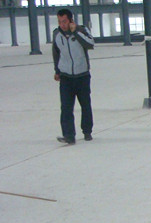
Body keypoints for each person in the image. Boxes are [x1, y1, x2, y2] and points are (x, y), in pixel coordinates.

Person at [52, 8, 94, 145]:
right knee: (66, 107)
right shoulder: (57, 34)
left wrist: (75, 31)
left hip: (82, 75)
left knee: (85, 105)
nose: (62, 24)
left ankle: (87, 131)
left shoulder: (82, 30)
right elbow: (56, 53)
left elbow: (90, 44)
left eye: (64, 21)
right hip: (66, 77)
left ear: (71, 20)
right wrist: (57, 70)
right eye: (60, 21)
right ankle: (69, 135)